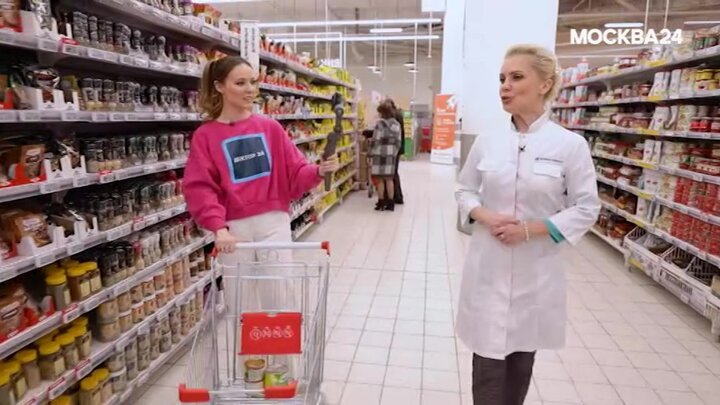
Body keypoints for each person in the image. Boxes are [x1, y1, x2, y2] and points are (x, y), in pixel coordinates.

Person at [455, 44, 600, 405]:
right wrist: (485, 215)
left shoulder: (570, 145)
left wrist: (530, 230)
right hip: (488, 267)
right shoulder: (488, 141)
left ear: (544, 84)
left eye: (516, 77)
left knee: (520, 361)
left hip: (536, 271)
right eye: (502, 78)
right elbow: (464, 190)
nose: (505, 85)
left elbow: (586, 207)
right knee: (487, 363)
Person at [183, 55, 338, 306]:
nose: (250, 90)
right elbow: (200, 188)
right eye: (240, 83)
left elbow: (295, 171)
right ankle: (246, 334)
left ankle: (279, 334)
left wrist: (319, 171)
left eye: (253, 82)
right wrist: (218, 229)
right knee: (240, 303)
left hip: (273, 223)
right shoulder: (206, 135)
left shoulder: (270, 128)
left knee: (280, 296)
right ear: (219, 86)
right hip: (233, 229)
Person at [370, 100, 402, 211]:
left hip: (379, 154)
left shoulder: (380, 124)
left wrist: (371, 152)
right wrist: (394, 152)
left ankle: (381, 202)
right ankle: (391, 203)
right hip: (391, 155)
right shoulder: (396, 125)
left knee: (379, 180)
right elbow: (398, 142)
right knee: (389, 179)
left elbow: (375, 141)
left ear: (383, 113)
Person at [387, 98, 405, 204]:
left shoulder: (394, 116)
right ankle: (396, 196)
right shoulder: (398, 114)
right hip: (398, 147)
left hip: (394, 148)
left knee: (392, 172)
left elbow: (390, 132)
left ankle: (397, 196)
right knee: (394, 172)